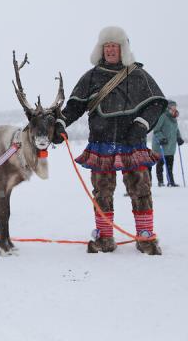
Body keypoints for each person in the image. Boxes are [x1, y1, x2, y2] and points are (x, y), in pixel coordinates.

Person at [52, 26, 167, 255]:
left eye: (115, 46)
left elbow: (156, 104)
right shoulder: (92, 76)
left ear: (123, 49)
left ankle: (145, 237)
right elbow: (74, 106)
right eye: (107, 46)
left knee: (141, 189)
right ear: (101, 49)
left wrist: (142, 124)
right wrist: (60, 124)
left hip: (132, 142)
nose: (111, 50)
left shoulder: (138, 75)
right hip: (101, 142)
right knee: (102, 191)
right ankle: (105, 237)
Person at [152, 100, 184, 187]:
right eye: (173, 107)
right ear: (168, 108)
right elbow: (156, 130)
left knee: (170, 165)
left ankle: (171, 181)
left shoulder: (174, 118)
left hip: (170, 146)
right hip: (161, 146)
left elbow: (176, 129)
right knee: (160, 164)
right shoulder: (163, 116)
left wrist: (179, 137)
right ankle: (161, 181)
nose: (174, 109)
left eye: (175, 107)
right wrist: (162, 138)